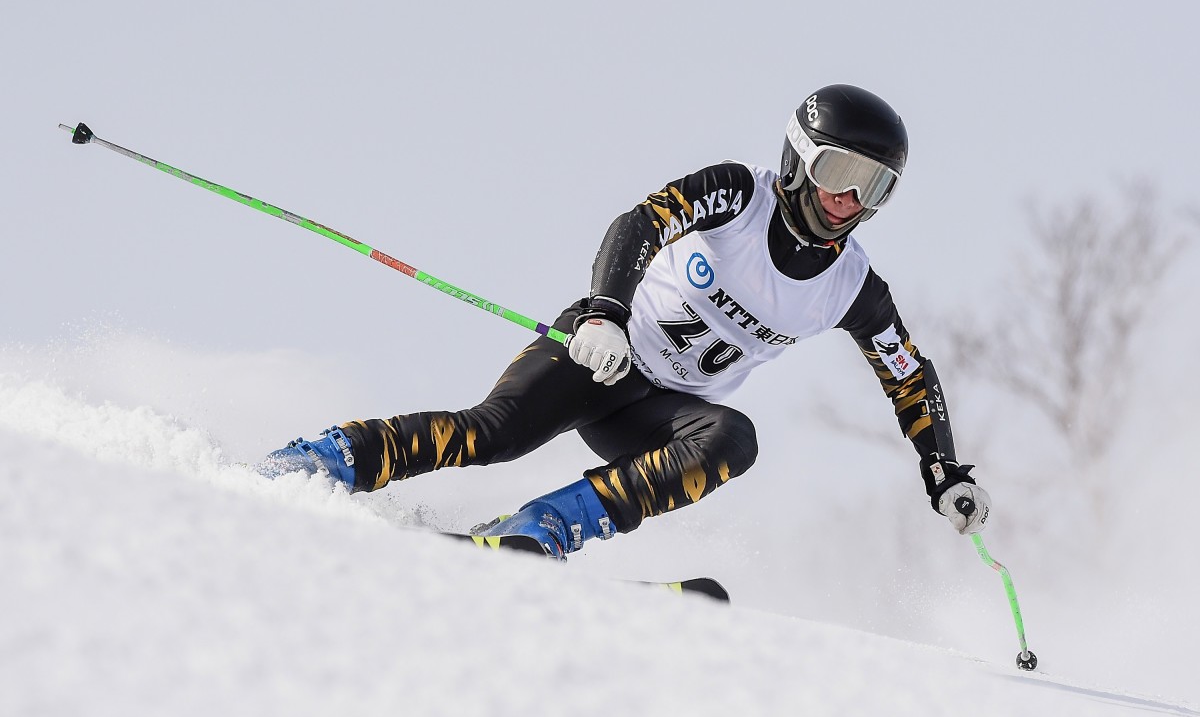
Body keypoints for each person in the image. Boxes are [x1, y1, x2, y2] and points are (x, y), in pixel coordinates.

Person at [257, 83, 991, 557]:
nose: (849, 199)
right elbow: (640, 223)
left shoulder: (853, 285)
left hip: (659, 413)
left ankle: (541, 528)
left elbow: (908, 375)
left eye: (874, 186)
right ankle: (330, 457)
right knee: (494, 434)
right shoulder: (740, 195)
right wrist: (606, 313)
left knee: (733, 439)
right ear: (800, 160)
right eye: (839, 173)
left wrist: (943, 471)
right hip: (599, 355)